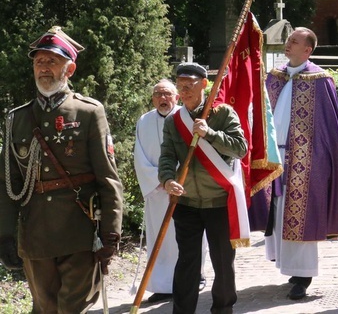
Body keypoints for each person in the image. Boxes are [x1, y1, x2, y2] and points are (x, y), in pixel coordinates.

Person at [0, 26, 124, 313]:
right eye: (39, 61)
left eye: (52, 61)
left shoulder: (88, 112)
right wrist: (5, 236)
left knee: (72, 308)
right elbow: (8, 182)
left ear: (69, 69)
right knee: (44, 308)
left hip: (78, 230)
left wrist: (111, 234)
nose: (44, 68)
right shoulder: (17, 119)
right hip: (35, 234)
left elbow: (108, 178)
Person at [264, 27, 338, 301]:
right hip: (274, 157)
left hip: (306, 159)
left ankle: (303, 277)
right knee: (279, 216)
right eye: (289, 39)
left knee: (301, 219)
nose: (288, 44)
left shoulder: (320, 80)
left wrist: (323, 162)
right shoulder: (274, 77)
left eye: (295, 41)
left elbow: (328, 128)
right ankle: (289, 269)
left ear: (308, 50)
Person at [159, 63, 248, 314]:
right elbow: (166, 156)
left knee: (222, 263)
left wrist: (210, 133)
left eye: (190, 84)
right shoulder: (174, 120)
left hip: (218, 202)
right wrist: (167, 180)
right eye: (180, 85)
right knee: (187, 262)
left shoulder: (223, 114)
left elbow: (240, 148)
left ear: (204, 84)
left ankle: (223, 309)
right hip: (186, 203)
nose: (184, 90)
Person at [134, 79, 207, 304]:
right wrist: (161, 182)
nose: (162, 99)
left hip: (185, 189)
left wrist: (178, 180)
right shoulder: (144, 121)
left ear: (176, 97)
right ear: (153, 98)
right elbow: (139, 157)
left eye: (167, 94)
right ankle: (164, 285)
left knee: (186, 237)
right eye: (158, 94)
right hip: (157, 193)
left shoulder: (185, 118)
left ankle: (195, 276)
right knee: (161, 239)